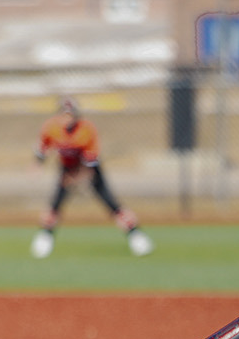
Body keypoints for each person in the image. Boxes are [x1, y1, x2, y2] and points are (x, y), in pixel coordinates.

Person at [30, 97, 152, 259]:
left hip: (88, 168)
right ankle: (45, 238)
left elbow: (90, 164)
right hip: (66, 168)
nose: (67, 118)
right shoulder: (51, 127)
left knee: (111, 204)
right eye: (64, 114)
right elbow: (42, 148)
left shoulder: (86, 130)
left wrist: (77, 178)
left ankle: (136, 236)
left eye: (71, 114)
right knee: (55, 204)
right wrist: (38, 165)